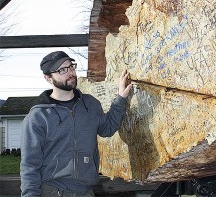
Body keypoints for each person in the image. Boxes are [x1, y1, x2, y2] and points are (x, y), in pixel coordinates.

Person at [20, 51, 132, 197]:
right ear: (48, 78)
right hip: (52, 191)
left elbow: (108, 128)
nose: (70, 72)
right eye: (62, 70)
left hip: (86, 192)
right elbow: (29, 165)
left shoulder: (90, 104)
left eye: (71, 67)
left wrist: (121, 98)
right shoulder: (38, 117)